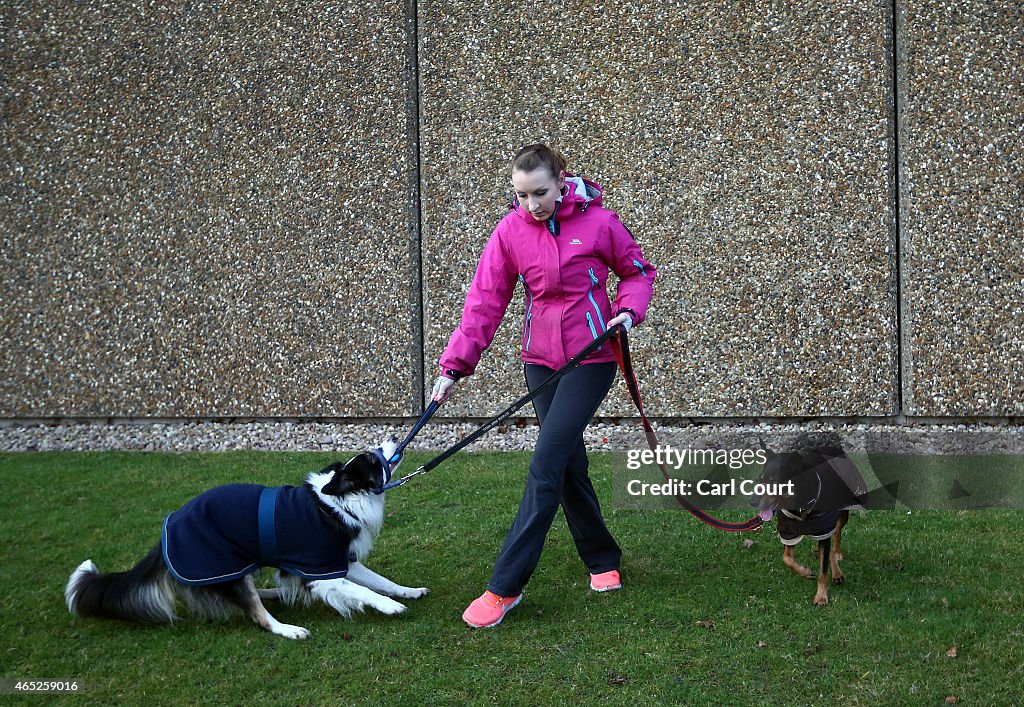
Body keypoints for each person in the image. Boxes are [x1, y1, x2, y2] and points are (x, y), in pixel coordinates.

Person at [432, 144, 657, 628]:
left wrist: (626, 312)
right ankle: (602, 559)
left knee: (546, 461)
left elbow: (637, 273)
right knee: (568, 462)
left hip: (593, 357)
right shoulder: (510, 232)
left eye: (540, 192)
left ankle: (504, 587)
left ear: (561, 181)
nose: (532, 204)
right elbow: (484, 303)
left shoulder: (600, 222)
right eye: (521, 195)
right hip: (540, 361)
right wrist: (453, 367)